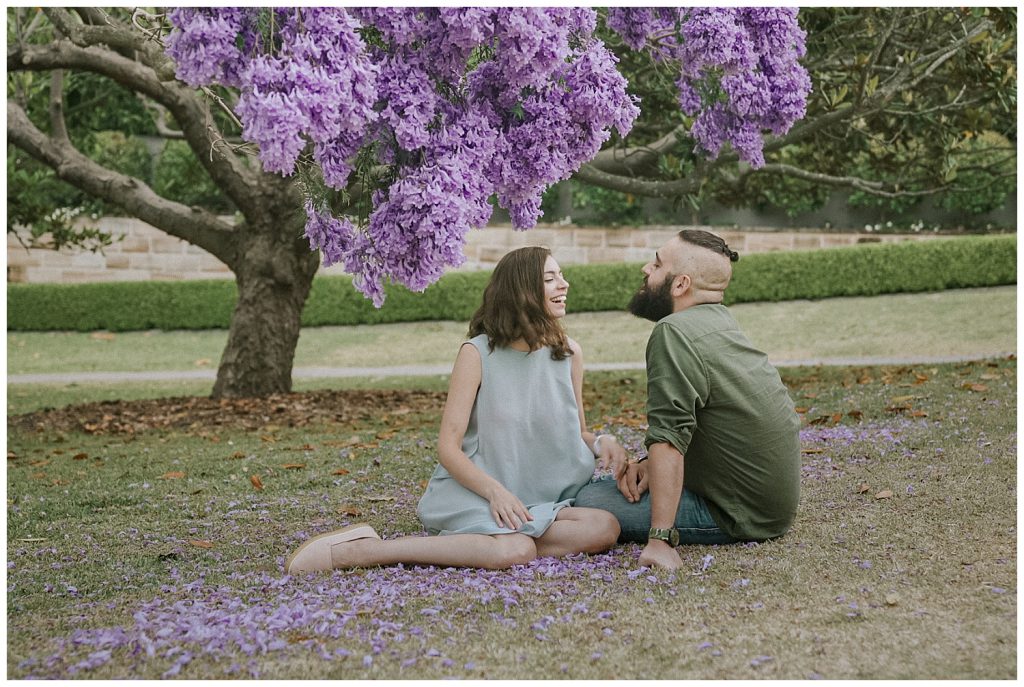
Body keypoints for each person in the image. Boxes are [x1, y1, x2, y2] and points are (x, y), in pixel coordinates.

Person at [286, 246, 624, 573]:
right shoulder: (477, 354)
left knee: (603, 527)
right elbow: (448, 447)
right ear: (521, 289)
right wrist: (496, 493)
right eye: (550, 278)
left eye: (561, 276)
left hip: (542, 500)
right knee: (516, 550)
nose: (564, 285)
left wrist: (600, 442)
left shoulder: (569, 353)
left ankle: (489, 542)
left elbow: (577, 429)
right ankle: (366, 551)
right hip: (480, 492)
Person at [574, 229, 801, 570]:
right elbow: (714, 421)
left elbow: (668, 439)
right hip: (770, 507)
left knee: (587, 498)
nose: (645, 270)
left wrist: (660, 539)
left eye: (656, 263)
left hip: (736, 514)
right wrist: (648, 466)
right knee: (614, 487)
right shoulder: (720, 321)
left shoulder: (673, 332)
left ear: (680, 284)